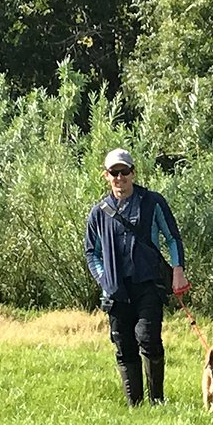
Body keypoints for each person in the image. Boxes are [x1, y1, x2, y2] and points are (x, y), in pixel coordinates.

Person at [84, 148, 190, 406]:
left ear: (133, 173)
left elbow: (173, 238)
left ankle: (157, 401)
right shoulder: (99, 212)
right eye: (114, 173)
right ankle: (135, 405)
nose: (119, 178)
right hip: (116, 290)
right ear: (106, 176)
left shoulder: (152, 202)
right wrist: (104, 279)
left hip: (149, 284)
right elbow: (91, 253)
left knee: (148, 338)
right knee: (123, 345)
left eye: (124, 172)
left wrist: (178, 271)